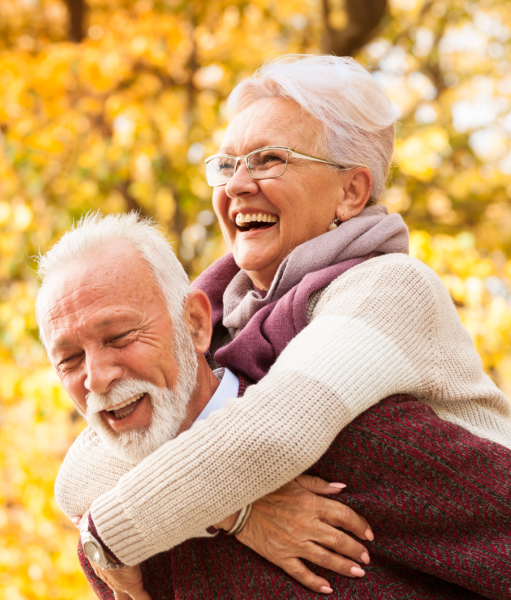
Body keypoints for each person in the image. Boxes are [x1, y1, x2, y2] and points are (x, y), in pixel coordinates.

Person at [37, 54, 511, 598]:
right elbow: (81, 473)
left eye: (267, 161)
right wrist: (240, 511)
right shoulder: (221, 313)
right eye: (227, 165)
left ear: (350, 192)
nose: (237, 186)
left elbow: (276, 430)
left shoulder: (390, 288)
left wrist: (106, 537)